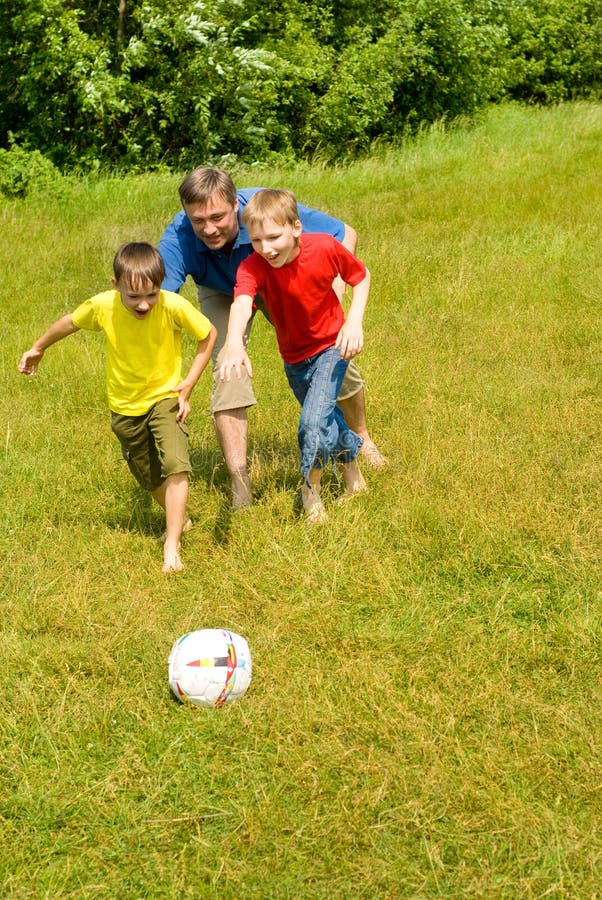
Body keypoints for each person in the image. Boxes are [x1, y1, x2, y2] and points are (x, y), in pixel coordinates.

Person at [158, 166, 386, 510]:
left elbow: (344, 234)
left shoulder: (264, 211)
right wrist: (230, 345)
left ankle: (362, 439)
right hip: (226, 290)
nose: (208, 229)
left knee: (334, 357)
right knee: (228, 368)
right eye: (198, 221)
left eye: (218, 217)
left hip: (283, 278)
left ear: (235, 205)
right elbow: (162, 302)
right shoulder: (179, 236)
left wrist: (335, 295)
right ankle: (240, 481)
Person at [18, 242, 217, 574]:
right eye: (133, 296)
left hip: (165, 396)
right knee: (148, 475)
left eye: (152, 294)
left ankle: (172, 545)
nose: (144, 304)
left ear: (161, 284)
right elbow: (69, 322)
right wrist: (38, 348)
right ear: (116, 286)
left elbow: (208, 333)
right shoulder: (103, 306)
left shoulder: (172, 305)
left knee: (175, 463)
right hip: (124, 407)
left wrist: (188, 385)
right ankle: (180, 519)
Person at [219, 189, 370, 524]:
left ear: (296, 228)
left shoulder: (325, 247)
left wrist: (354, 321)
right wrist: (234, 343)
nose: (266, 248)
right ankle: (353, 476)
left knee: (313, 424)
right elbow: (241, 303)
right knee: (327, 419)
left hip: (332, 348)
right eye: (256, 240)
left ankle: (310, 489)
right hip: (294, 360)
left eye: (274, 237)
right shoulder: (252, 266)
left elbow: (360, 277)